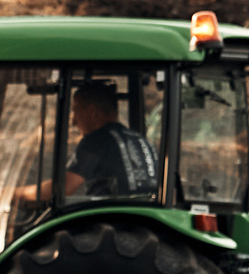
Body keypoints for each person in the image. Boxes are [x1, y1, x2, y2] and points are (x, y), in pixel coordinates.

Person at [16, 80, 159, 204]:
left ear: (92, 111)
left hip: (115, 220)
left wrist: (17, 193)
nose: (73, 122)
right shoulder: (138, 139)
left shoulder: (98, 139)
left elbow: (65, 187)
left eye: (75, 111)